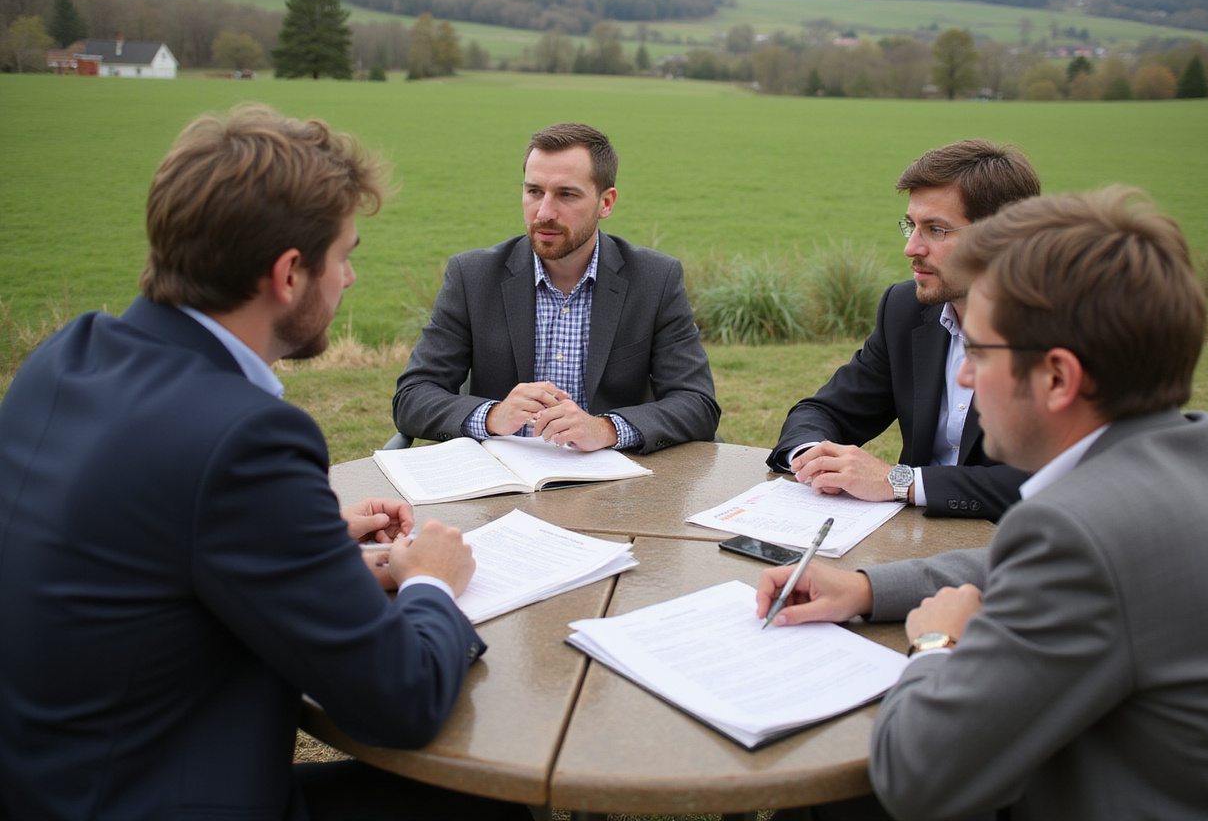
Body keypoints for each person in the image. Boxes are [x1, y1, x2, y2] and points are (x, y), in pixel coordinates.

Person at [0, 106, 526, 821]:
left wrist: (302, 540)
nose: (349, 278)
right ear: (287, 275)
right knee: (488, 807)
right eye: (343, 256)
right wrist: (431, 584)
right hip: (152, 798)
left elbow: (140, 540)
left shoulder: (68, 355)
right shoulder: (243, 439)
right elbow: (399, 702)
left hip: (47, 782)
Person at [758, 188, 1208, 821]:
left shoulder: (1078, 532)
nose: (966, 378)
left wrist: (935, 643)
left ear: (1058, 378)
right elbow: (1027, 563)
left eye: (979, 352)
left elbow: (917, 777)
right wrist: (867, 588)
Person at [393, 122, 719, 454]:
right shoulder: (472, 277)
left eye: (566, 194)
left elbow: (697, 403)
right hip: (501, 485)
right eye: (534, 191)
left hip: (615, 486)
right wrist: (492, 416)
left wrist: (606, 428)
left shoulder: (655, 280)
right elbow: (413, 396)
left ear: (606, 203)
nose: (544, 212)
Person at [769, 139, 1041, 520]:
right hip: (908, 538)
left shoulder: (1062, 328)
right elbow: (824, 410)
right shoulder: (905, 309)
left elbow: (1046, 481)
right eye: (911, 226)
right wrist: (813, 458)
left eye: (936, 229)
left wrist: (900, 482)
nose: (912, 248)